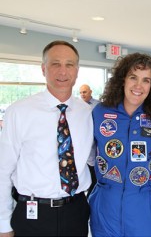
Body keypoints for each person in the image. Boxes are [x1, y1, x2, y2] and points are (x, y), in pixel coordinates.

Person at [0, 40, 93, 236]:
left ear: (77, 70)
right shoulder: (19, 111)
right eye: (55, 64)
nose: (63, 71)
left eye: (69, 65)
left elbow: (92, 158)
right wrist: (3, 225)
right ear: (43, 69)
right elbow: (3, 170)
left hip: (76, 211)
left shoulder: (87, 113)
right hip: (32, 213)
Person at [89, 52, 151, 236]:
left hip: (146, 205)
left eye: (146, 80)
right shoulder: (100, 112)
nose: (138, 86)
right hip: (106, 204)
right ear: (122, 80)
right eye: (133, 77)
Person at [79, 84, 99, 197]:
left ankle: (90, 197)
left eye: (85, 92)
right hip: (83, 142)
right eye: (81, 92)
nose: (82, 94)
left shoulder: (98, 106)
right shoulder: (77, 106)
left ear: (90, 92)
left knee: (94, 175)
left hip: (95, 143)